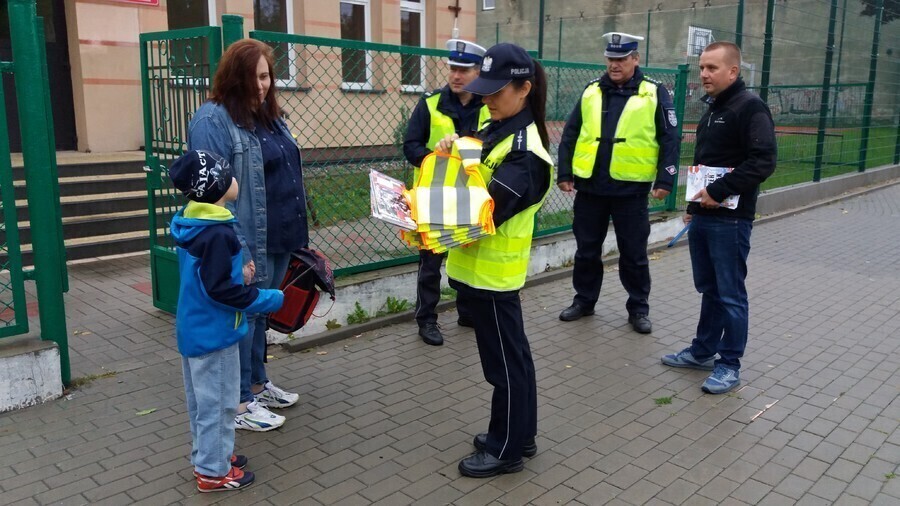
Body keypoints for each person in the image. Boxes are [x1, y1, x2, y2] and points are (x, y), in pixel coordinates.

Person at [439, 43, 552, 478]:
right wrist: (452, 150)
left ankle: (506, 450)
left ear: (524, 89)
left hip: (493, 276)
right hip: (477, 270)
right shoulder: (497, 126)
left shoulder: (526, 153)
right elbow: (475, 169)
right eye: (483, 90)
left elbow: (484, 212)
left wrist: (421, 216)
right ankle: (520, 435)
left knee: (505, 366)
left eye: (496, 91)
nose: (486, 99)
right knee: (511, 359)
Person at [188, 39, 308, 431]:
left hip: (279, 233)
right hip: (249, 237)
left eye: (266, 76)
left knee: (260, 316)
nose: (262, 85)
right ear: (232, 75)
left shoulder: (268, 116)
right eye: (253, 76)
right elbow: (213, 192)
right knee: (243, 317)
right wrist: (239, 245)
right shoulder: (213, 120)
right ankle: (239, 402)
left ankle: (257, 383)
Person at [661, 41, 776, 394]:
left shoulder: (750, 108)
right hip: (705, 217)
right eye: (701, 68)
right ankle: (701, 351)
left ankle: (729, 364)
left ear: (733, 71)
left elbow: (763, 162)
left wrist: (719, 191)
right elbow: (706, 164)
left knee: (730, 294)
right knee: (709, 289)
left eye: (712, 68)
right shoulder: (712, 109)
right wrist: (694, 208)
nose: (704, 74)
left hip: (731, 220)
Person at [168, 150, 284, 492]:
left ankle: (210, 454)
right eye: (229, 175)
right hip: (214, 335)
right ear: (216, 186)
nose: (236, 179)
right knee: (219, 406)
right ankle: (212, 472)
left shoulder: (194, 222)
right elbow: (222, 291)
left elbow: (210, 278)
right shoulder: (219, 234)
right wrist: (268, 298)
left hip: (195, 330)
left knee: (202, 404)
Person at [556, 32, 678, 334]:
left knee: (634, 253)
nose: (615, 64)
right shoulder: (591, 91)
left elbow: (670, 138)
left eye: (621, 59)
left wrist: (666, 178)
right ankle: (584, 301)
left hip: (631, 191)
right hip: (590, 189)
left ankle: (638, 308)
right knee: (586, 250)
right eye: (611, 59)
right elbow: (570, 134)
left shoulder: (654, 92)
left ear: (635, 59)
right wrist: (565, 173)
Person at [403, 38, 489, 346]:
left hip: (471, 198)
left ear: (479, 72)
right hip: (434, 199)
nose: (456, 75)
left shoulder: (488, 107)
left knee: (466, 259)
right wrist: (436, 156)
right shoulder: (430, 104)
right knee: (430, 265)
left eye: (464, 70)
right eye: (453, 68)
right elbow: (410, 147)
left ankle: (466, 313)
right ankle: (426, 320)